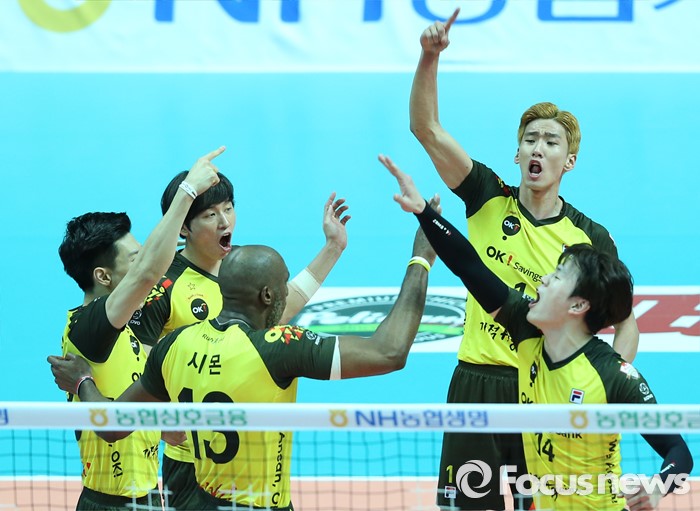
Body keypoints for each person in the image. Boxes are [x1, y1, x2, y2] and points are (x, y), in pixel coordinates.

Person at [409, 8, 640, 510]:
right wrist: (429, 58)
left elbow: (626, 323)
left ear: (568, 161)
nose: (538, 148)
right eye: (529, 140)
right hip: (476, 381)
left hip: (546, 391)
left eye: (550, 142)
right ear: (517, 155)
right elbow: (426, 128)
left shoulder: (590, 237)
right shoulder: (486, 195)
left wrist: (607, 384)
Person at [48, 222, 438, 511]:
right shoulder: (281, 348)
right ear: (268, 296)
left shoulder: (174, 345)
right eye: (284, 285)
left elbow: (113, 427)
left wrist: (83, 382)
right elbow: (389, 352)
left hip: (199, 502)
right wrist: (421, 259)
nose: (287, 292)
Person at [380, 154, 692, 511]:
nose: (542, 280)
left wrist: (658, 486)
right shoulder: (525, 328)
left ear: (578, 305)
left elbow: (678, 452)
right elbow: (469, 266)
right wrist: (423, 211)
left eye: (557, 277)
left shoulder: (611, 374)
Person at [126, 168, 352, 509]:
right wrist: (159, 424)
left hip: (252, 453)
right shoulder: (164, 287)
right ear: (183, 227)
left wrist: (333, 248)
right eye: (210, 215)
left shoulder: (240, 266)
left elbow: (279, 309)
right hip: (190, 462)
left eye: (229, 209)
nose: (224, 221)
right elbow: (135, 367)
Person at [57, 147, 224, 510]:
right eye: (133, 259)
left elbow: (120, 404)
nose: (147, 264)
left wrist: (159, 426)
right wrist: (188, 191)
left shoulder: (129, 328)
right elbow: (149, 271)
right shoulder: (89, 326)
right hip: (110, 503)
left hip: (146, 496)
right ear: (103, 277)